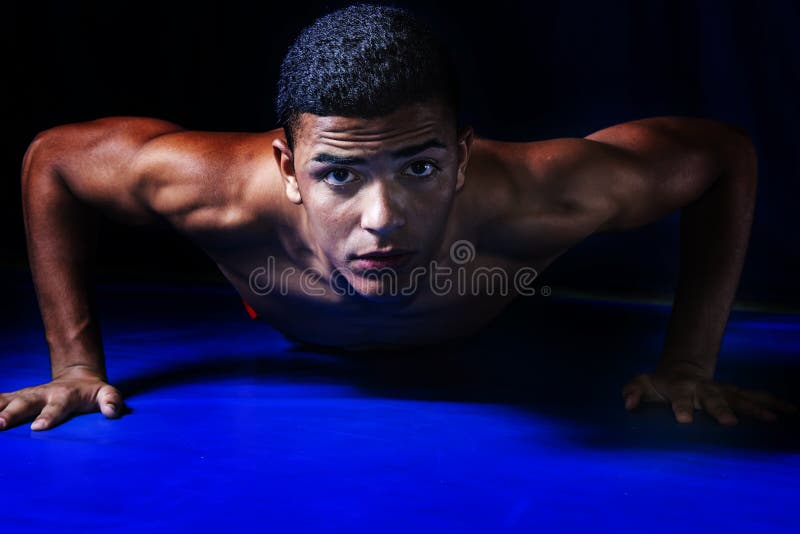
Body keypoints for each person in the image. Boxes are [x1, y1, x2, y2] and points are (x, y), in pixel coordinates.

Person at [3, 3, 796, 433]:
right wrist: (77, 366)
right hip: (277, 297)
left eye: (418, 168)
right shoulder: (209, 188)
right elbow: (54, 159)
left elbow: (720, 154)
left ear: (460, 153)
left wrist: (689, 364)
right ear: (286, 169)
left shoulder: (551, 192)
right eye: (338, 174)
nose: (381, 220)